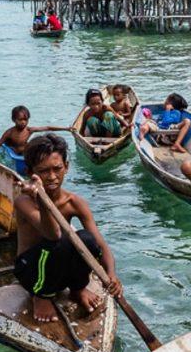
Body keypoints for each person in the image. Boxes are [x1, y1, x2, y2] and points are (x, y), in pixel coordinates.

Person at [13, 135, 122, 323]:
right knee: (60, 241)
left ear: (67, 167)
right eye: (43, 171)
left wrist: (111, 275)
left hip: (57, 266)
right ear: (30, 172)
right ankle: (41, 296)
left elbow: (100, 244)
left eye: (57, 169)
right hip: (30, 272)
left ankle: (77, 288)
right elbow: (52, 234)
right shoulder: (24, 201)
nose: (52, 177)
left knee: (87, 239)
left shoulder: (74, 202)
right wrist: (41, 198)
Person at [0, 105, 54, 175]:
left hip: (24, 152)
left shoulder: (29, 130)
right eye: (20, 119)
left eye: (26, 120)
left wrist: (62, 128)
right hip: (15, 152)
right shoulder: (9, 132)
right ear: (13, 119)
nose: (23, 122)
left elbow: (48, 128)